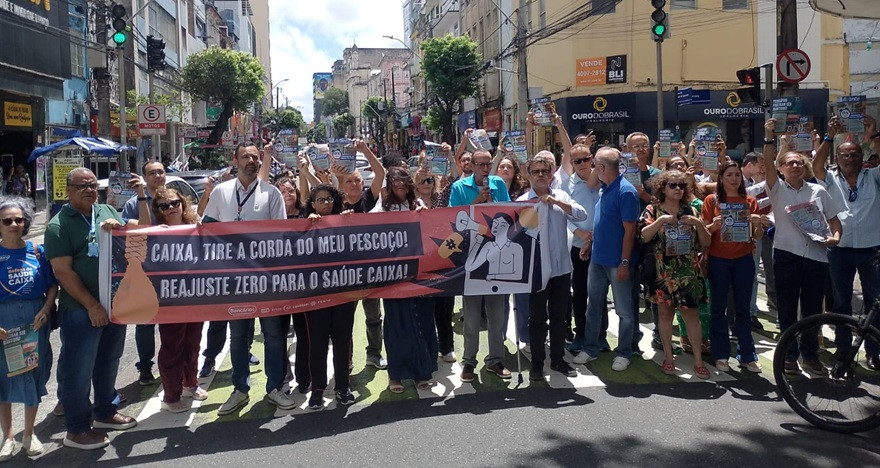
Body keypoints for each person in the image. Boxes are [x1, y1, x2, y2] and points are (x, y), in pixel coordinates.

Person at [44, 168, 138, 450]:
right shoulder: (58, 226)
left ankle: (105, 412)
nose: (89, 190)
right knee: (78, 371)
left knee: (109, 361)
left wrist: (121, 225)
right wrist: (92, 305)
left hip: (114, 305)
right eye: (82, 186)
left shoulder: (107, 208)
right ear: (68, 190)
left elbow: (126, 240)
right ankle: (76, 429)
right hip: (81, 310)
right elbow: (63, 273)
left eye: (93, 185)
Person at [202, 142, 296, 415]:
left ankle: (275, 387)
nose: (251, 161)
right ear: (236, 160)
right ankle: (240, 389)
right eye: (245, 156)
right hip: (234, 281)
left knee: (273, 335)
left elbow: (281, 234)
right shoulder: (220, 192)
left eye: (255, 157)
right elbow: (207, 229)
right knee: (239, 336)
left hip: (265, 280)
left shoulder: (272, 194)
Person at [763, 119, 843, 377]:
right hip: (786, 256)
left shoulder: (818, 191)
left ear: (806, 166)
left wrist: (836, 238)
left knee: (812, 311)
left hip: (817, 257)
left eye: (799, 162)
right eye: (789, 163)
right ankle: (789, 356)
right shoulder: (776, 190)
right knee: (787, 309)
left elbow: (834, 220)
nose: (795, 165)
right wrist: (769, 138)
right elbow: (767, 164)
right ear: (781, 169)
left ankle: (810, 357)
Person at [813, 116, 880, 370]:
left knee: (874, 303)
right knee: (841, 304)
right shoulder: (829, 179)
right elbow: (816, 165)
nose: (850, 159)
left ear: (861, 157)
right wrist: (829, 136)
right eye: (845, 155)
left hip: (872, 250)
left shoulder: (873, 177)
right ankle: (843, 350)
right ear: (837, 158)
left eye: (854, 155)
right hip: (839, 250)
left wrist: (874, 134)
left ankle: (874, 351)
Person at [517, 153, 587, 379]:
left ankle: (558, 359)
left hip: (561, 269)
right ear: (528, 175)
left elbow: (581, 215)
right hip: (536, 270)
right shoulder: (520, 203)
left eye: (544, 171)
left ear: (551, 175)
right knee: (537, 318)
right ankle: (537, 363)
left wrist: (555, 201)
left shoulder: (562, 195)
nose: (540, 175)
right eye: (535, 171)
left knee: (559, 318)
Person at [140, 187, 208, 412]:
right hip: (169, 299)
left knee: (193, 342)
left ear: (182, 203)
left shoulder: (195, 225)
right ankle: (171, 395)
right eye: (164, 205)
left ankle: (191, 382)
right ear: (158, 210)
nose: (170, 208)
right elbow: (132, 231)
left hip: (196, 294)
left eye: (174, 203)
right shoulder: (156, 231)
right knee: (172, 345)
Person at [371, 168, 438, 392]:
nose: (400, 185)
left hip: (419, 273)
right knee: (398, 324)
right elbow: (363, 229)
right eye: (395, 181)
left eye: (404, 181)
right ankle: (396, 374)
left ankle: (422, 371)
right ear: (389, 185)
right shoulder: (382, 208)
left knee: (422, 321)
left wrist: (425, 215)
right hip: (393, 276)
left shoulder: (417, 205)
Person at [638, 171, 711, 378]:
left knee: (692, 316)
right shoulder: (652, 210)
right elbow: (642, 236)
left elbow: (706, 243)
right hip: (663, 272)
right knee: (665, 315)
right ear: (663, 188)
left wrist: (698, 224)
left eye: (681, 185)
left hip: (688, 271)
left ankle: (698, 360)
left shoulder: (691, 210)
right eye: (673, 185)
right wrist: (660, 222)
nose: (678, 188)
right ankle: (668, 357)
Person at [573, 147, 640, 371]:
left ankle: (624, 352)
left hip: (616, 262)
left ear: (601, 168)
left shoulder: (626, 191)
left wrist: (624, 263)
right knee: (594, 306)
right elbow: (601, 223)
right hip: (598, 259)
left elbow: (629, 232)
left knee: (624, 311)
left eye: (595, 166)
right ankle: (590, 348)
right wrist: (589, 244)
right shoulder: (605, 188)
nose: (592, 169)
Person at [0, 197, 57, 458]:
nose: (13, 224)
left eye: (19, 219)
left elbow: (52, 285)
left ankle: (29, 433)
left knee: (34, 374)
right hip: (5, 323)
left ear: (26, 223)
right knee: (4, 379)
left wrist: (46, 309)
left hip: (35, 320)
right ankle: (7, 436)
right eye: (7, 220)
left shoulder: (37, 251)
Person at [448, 149, 512, 382]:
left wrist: (493, 202)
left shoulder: (498, 184)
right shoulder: (459, 188)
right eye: (481, 165)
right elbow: (454, 219)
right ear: (471, 165)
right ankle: (469, 362)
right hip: (471, 259)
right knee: (472, 317)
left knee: (497, 315)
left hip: (496, 258)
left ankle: (495, 359)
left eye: (489, 164)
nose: (486, 169)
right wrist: (477, 202)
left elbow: (508, 214)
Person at [701, 162, 763, 373]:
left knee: (743, 309)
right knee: (718, 308)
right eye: (729, 175)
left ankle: (747, 355)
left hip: (743, 259)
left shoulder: (750, 201)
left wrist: (756, 223)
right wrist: (713, 225)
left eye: (737, 175)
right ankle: (720, 354)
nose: (735, 178)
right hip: (719, 260)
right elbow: (704, 234)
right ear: (721, 178)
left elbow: (757, 236)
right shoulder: (712, 201)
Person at [336, 140, 388, 371]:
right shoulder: (336, 203)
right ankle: (346, 360)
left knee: (374, 317)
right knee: (344, 321)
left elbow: (381, 173)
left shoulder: (369, 198)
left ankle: (374, 355)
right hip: (344, 272)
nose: (355, 184)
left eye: (357, 180)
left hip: (369, 269)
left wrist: (365, 150)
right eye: (350, 181)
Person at [304, 185, 357, 409]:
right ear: (312, 204)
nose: (326, 204)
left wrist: (348, 222)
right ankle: (317, 389)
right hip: (316, 294)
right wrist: (307, 225)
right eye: (320, 200)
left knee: (342, 341)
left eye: (329, 200)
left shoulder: (345, 221)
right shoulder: (305, 223)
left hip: (343, 293)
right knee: (317, 343)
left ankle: (342, 387)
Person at [121, 160, 167, 386]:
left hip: (171, 272)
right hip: (145, 271)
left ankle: (171, 364)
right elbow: (133, 231)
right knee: (145, 321)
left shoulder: (172, 198)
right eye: (153, 173)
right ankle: (146, 367)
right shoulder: (133, 204)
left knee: (173, 321)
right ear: (145, 177)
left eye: (161, 172)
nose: (158, 176)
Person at [562, 143, 605, 355]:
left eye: (586, 159)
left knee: (600, 292)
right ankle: (580, 333)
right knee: (579, 292)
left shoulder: (604, 180)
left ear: (592, 159)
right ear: (571, 163)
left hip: (602, 245)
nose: (582, 164)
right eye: (577, 161)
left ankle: (601, 335)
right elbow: (560, 215)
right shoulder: (565, 185)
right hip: (578, 246)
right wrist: (579, 233)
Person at [414, 166, 457, 363]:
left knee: (444, 307)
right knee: (423, 310)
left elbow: (456, 178)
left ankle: (446, 347)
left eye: (429, 180)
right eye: (422, 180)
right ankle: (426, 348)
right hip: (419, 263)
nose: (425, 184)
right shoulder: (410, 202)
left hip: (443, 259)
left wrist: (449, 157)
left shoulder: (443, 198)